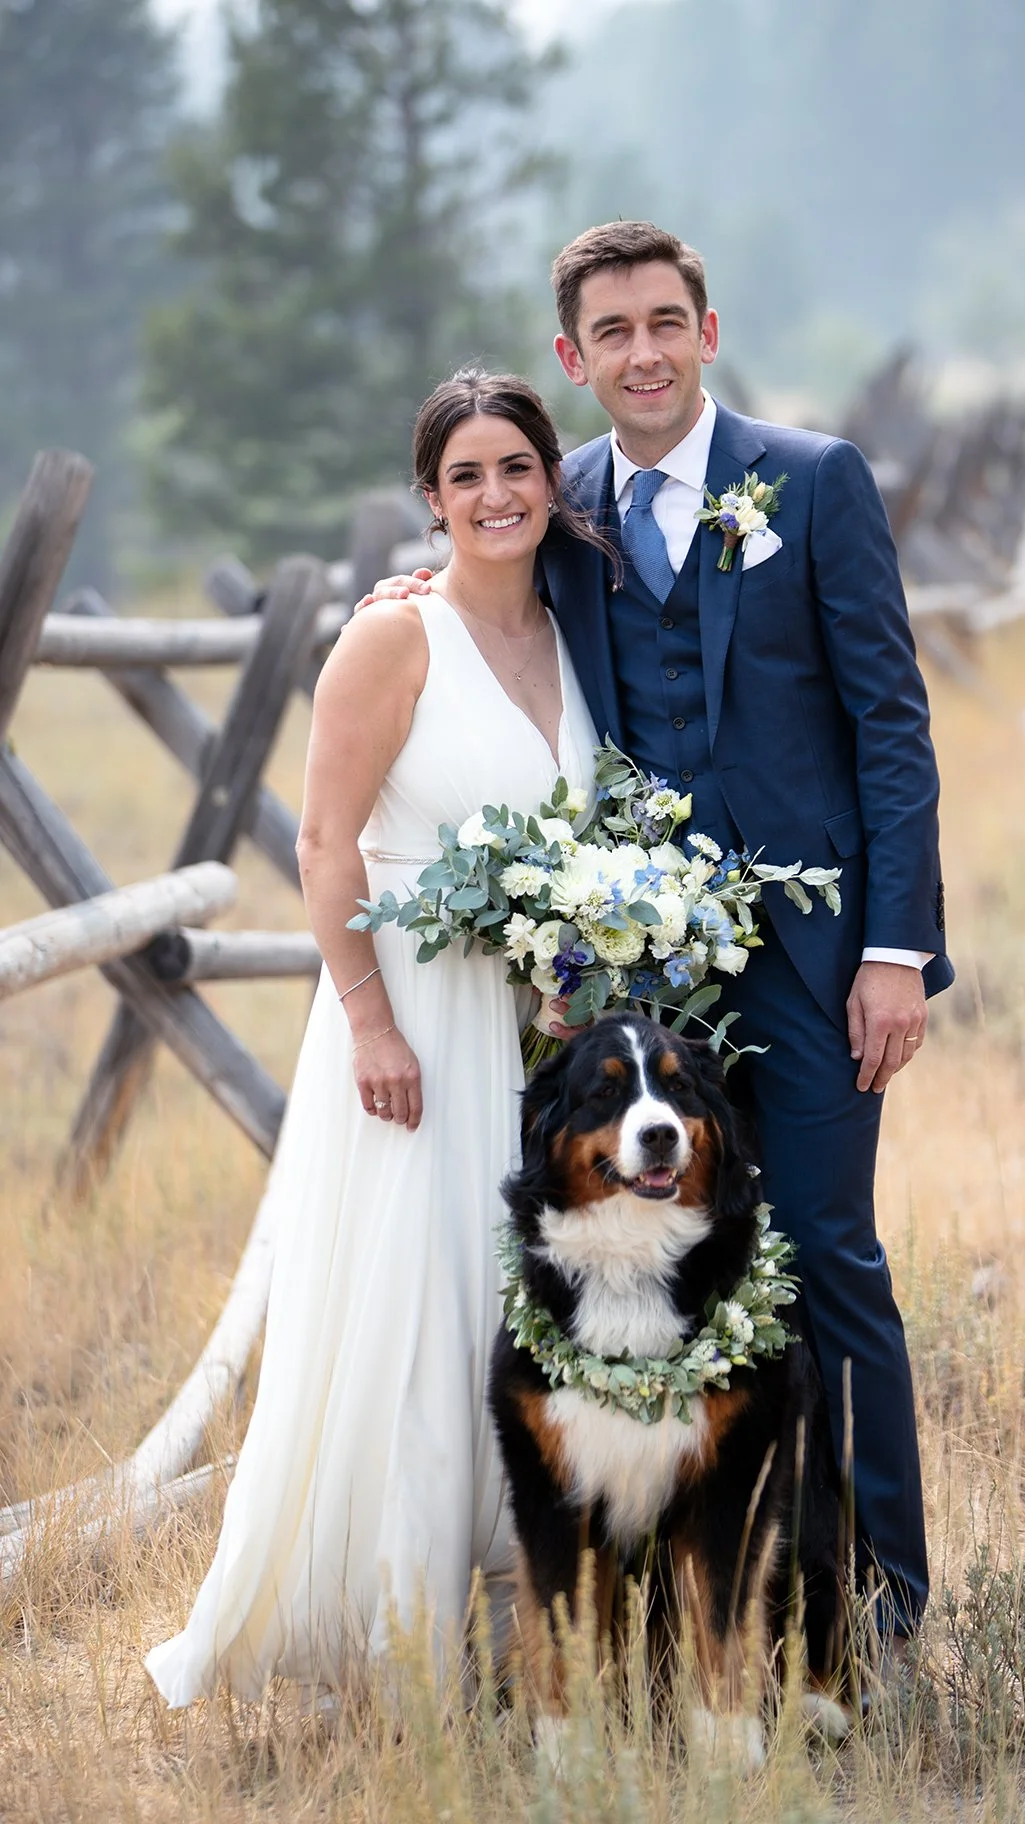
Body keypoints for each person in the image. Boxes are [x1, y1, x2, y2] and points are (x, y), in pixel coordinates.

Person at [363, 222, 953, 1661]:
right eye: (610, 332)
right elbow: (474, 580)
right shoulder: (551, 497)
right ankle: (693, 1610)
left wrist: (895, 948)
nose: (641, 353)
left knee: (823, 1259)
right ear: (573, 356)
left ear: (706, 328)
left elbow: (892, 725)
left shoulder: (813, 484)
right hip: (640, 988)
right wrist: (402, 595)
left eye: (664, 323)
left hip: (816, 966)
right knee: (658, 1276)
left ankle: (878, 1607)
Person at [144, 372, 601, 1707]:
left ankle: (515, 1612)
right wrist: (367, 1023)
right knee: (415, 1308)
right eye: (466, 477)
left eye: (516, 467)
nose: (496, 496)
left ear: (550, 477)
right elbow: (326, 838)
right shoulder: (395, 637)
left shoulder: (578, 627)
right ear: (431, 500)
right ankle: (397, 1652)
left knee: (505, 1306)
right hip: (408, 1016)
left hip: (529, 1028)